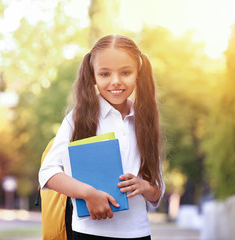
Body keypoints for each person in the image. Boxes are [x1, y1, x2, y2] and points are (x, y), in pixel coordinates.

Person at [38, 35, 165, 240]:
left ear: (138, 74)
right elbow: (48, 173)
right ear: (92, 76)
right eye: (105, 73)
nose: (116, 81)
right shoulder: (77, 119)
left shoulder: (146, 121)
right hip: (88, 232)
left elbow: (157, 194)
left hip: (138, 233)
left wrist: (146, 187)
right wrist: (87, 193)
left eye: (125, 72)